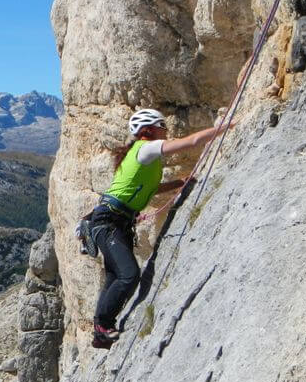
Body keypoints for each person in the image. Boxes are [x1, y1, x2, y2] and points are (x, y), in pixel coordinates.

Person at [90, 108, 231, 349]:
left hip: (113, 221)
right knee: (129, 275)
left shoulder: (141, 155)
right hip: (110, 221)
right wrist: (227, 126)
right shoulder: (146, 148)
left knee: (114, 276)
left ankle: (100, 331)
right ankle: (102, 325)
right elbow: (192, 141)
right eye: (162, 126)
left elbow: (149, 188)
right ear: (149, 130)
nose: (165, 131)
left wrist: (178, 183)